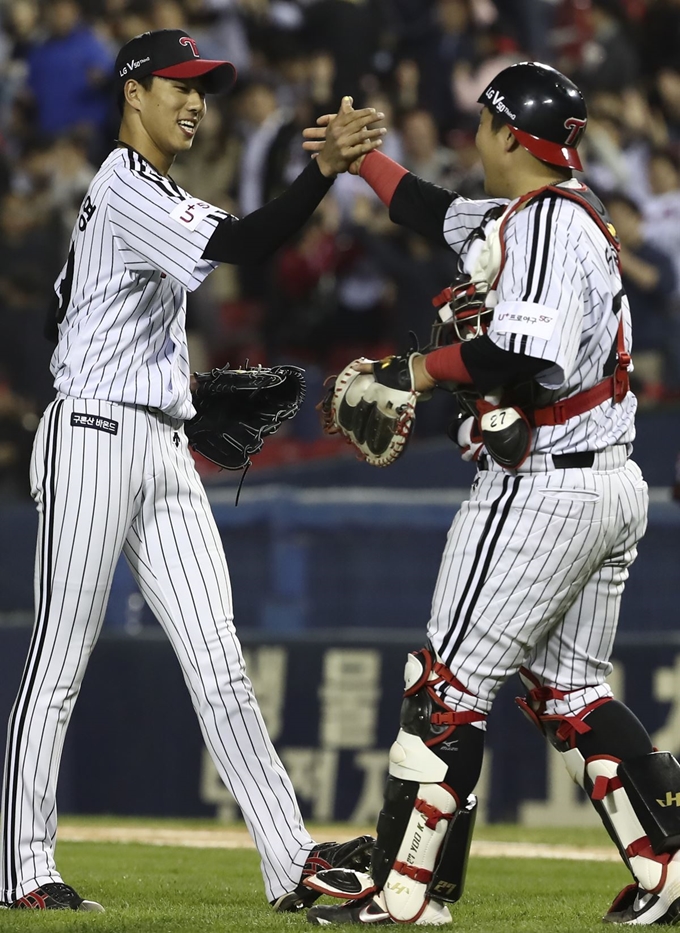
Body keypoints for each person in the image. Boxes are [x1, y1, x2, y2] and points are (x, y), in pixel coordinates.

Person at [0, 27, 385, 913]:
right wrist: (322, 171)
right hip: (92, 436)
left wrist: (188, 394)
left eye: (204, 86)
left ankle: (290, 863)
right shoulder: (122, 183)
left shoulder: (157, 193)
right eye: (179, 82)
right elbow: (251, 243)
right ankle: (26, 869)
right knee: (59, 657)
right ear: (133, 92)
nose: (195, 99)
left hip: (158, 442)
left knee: (220, 662)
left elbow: (158, 296)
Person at [302, 62, 680, 926]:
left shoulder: (546, 226)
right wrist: (364, 162)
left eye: (482, 122)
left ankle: (405, 895)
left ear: (512, 133)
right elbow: (434, 212)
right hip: (609, 481)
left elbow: (518, 359)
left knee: (445, 688)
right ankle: (665, 861)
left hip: (544, 489)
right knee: (570, 690)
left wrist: (412, 370)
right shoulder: (555, 213)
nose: (473, 135)